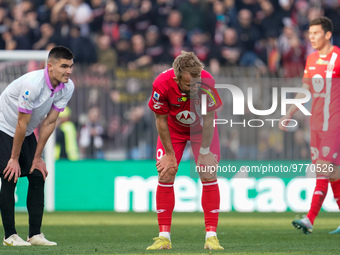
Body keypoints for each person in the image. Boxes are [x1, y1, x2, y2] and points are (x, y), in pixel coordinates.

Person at [147, 51, 224, 250]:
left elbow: (209, 119)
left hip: (201, 130)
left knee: (208, 173)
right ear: (177, 78)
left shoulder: (207, 82)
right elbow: (160, 121)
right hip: (173, 130)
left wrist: (205, 151)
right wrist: (170, 154)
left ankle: (211, 236)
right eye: (189, 84)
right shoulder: (161, 84)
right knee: (166, 173)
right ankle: (164, 237)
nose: (195, 88)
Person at [0, 46, 75, 246]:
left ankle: (34, 235)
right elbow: (21, 122)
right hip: (3, 126)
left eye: (71, 66)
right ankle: (9, 236)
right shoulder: (32, 85)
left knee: (36, 174)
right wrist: (14, 159)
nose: (69, 71)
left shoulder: (68, 87)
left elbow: (50, 122)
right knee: (10, 174)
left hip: (23, 130)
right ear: (50, 67)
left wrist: (37, 157)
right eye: (64, 66)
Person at [279, 17, 340, 235]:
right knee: (332, 174)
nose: (311, 37)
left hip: (334, 124)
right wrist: (289, 113)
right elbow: (305, 91)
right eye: (310, 34)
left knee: (322, 171)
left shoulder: (339, 57)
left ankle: (309, 219)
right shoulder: (311, 59)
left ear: (328, 35)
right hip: (315, 125)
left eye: (316, 33)